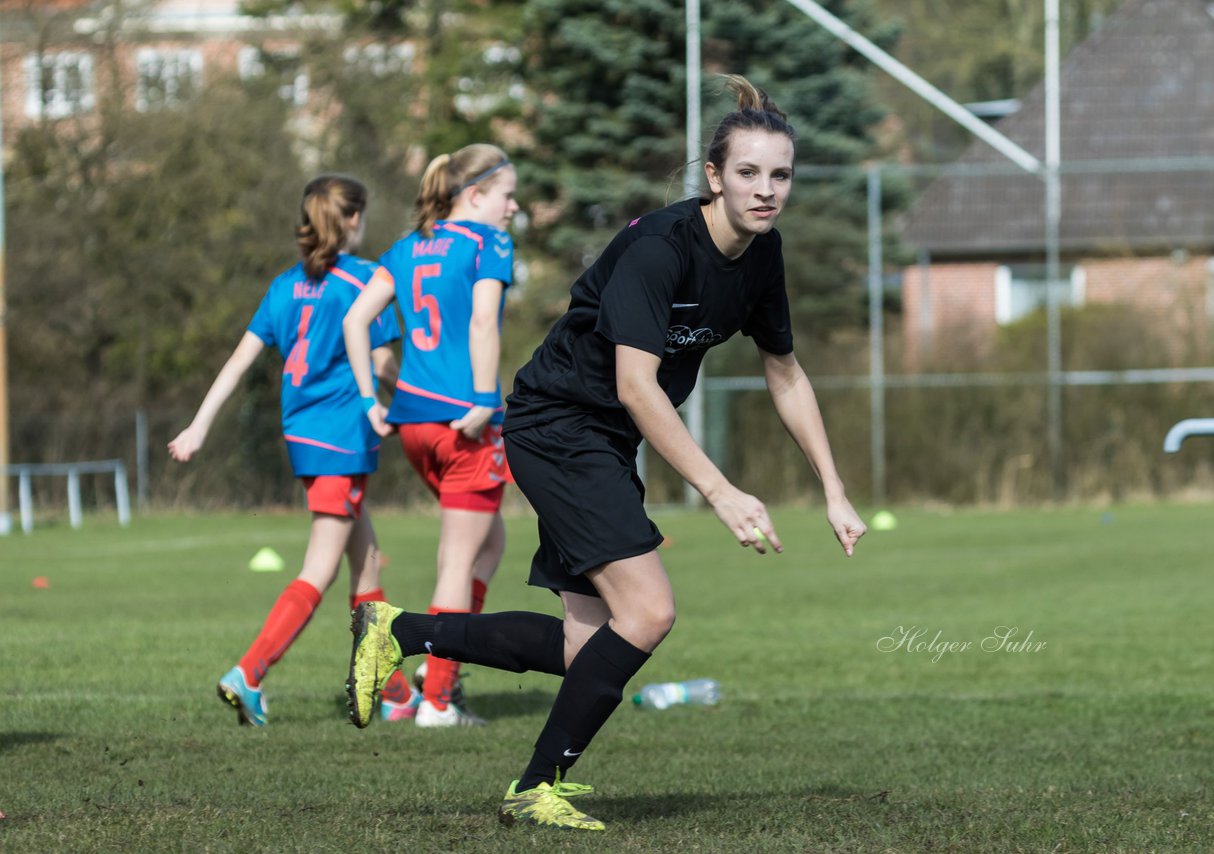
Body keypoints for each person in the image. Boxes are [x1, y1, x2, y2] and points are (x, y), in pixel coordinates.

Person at [345, 76, 867, 830]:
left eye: (780, 174)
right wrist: (720, 491)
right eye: (748, 173)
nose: (766, 190)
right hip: (558, 426)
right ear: (714, 177)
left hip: (600, 438)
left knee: (584, 645)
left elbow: (784, 372)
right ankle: (533, 788)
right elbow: (636, 386)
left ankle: (397, 633)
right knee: (650, 612)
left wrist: (833, 489)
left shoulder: (762, 256)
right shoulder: (659, 248)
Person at [169, 174, 419, 726]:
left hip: (304, 437)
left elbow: (239, 361)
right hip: (342, 439)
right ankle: (249, 673)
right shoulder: (366, 281)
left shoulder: (284, 285)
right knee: (321, 569)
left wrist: (199, 426)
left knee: (366, 559)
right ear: (353, 219)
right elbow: (381, 363)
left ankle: (397, 692)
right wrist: (417, 401)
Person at [343, 143, 519, 727]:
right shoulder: (487, 242)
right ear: (475, 196)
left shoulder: (404, 247)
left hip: (414, 423)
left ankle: (434, 669)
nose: (513, 208)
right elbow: (481, 321)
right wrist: (484, 399)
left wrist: (373, 399)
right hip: (462, 421)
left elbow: (355, 321)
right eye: (507, 195)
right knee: (459, 558)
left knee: (486, 545)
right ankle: (438, 697)